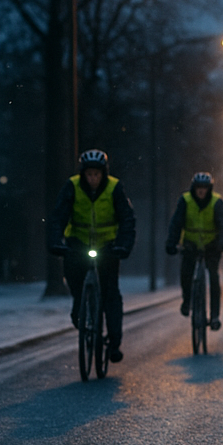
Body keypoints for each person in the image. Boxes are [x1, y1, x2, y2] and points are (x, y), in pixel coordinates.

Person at [47, 149, 136, 363]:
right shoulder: (72, 186)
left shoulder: (115, 187)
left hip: (107, 245)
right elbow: (58, 216)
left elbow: (127, 219)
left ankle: (114, 343)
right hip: (78, 242)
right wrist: (55, 242)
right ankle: (80, 306)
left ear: (103, 173)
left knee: (110, 293)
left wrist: (124, 246)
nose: (93, 178)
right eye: (89, 174)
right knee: (75, 280)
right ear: (83, 174)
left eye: (97, 174)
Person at [165, 172, 223, 330]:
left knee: (214, 278)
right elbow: (176, 223)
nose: (201, 191)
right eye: (199, 188)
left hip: (211, 246)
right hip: (191, 244)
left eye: (205, 188)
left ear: (209, 189)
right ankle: (187, 301)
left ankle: (214, 316)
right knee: (186, 273)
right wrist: (172, 242)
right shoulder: (185, 200)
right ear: (193, 188)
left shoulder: (217, 202)